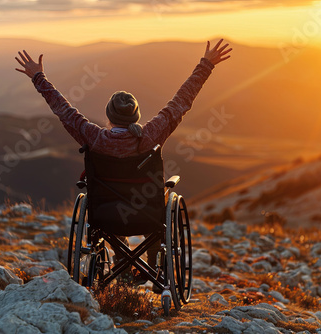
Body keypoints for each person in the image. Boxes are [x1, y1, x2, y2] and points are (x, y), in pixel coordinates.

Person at [15, 39, 232, 285]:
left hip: (106, 214)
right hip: (147, 214)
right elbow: (180, 103)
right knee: (158, 199)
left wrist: (38, 78)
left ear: (108, 116)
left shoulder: (93, 137)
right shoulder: (150, 136)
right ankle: (153, 269)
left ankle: (123, 263)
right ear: (135, 117)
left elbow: (63, 110)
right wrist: (206, 65)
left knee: (113, 206)